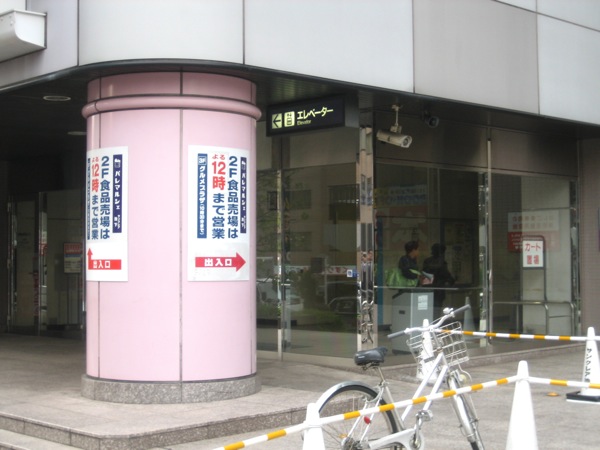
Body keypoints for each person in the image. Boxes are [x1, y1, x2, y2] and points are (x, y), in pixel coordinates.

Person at [423, 243, 455, 312]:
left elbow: (424, 274)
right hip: (438, 290)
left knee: (427, 310)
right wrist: (451, 280)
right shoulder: (441, 263)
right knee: (436, 310)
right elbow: (446, 274)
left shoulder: (427, 261)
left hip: (428, 289)